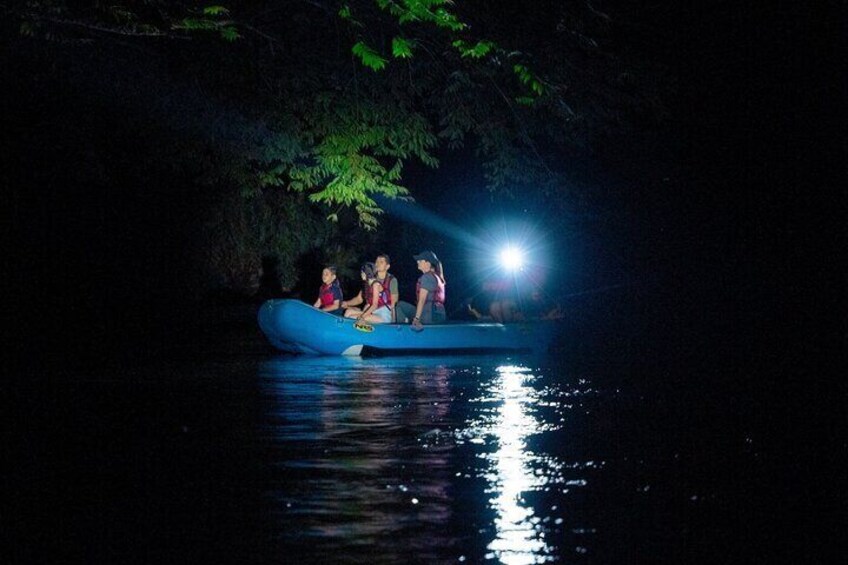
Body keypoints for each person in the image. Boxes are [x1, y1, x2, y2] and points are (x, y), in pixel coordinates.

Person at [396, 250, 446, 330]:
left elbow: (422, 300)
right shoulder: (438, 277)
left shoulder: (427, 277)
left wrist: (416, 319)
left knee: (399, 306)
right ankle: (408, 321)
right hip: (439, 314)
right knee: (401, 304)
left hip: (428, 315)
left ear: (428, 263)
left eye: (420, 260)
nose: (417, 262)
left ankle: (405, 329)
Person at [374, 253, 399, 322]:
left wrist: (393, 322)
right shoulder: (371, 279)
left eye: (381, 262)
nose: (377, 264)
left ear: (387, 266)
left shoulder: (392, 280)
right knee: (349, 312)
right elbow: (362, 297)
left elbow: (394, 303)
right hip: (372, 310)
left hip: (384, 311)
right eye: (376, 262)